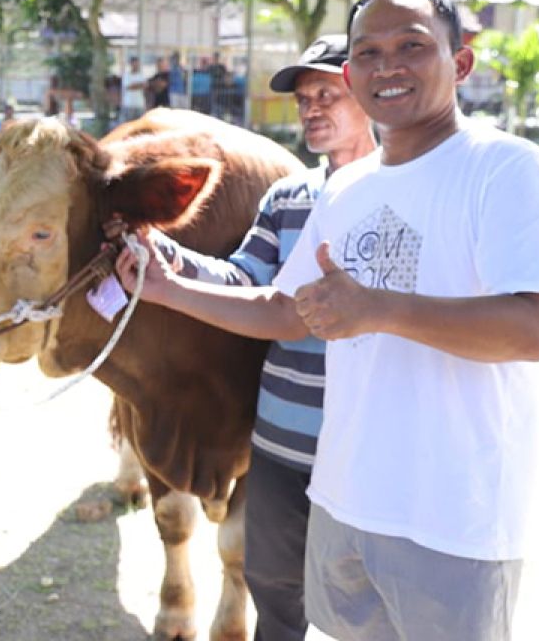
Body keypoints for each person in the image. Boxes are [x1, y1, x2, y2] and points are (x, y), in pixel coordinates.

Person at [117, 0, 539, 641]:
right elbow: (286, 310)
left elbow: (534, 327)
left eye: (412, 45)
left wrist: (381, 308)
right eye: (368, 53)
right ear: (354, 72)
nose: (388, 65)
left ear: (460, 63)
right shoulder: (343, 188)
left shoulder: (506, 169)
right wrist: (168, 289)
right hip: (342, 503)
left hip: (454, 519)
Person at [118, 34, 375, 641]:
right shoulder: (287, 197)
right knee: (277, 602)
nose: (310, 107)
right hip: (282, 445)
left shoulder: (405, 193)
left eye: (326, 94)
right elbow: (245, 277)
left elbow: (284, 310)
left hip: (370, 446)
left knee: (368, 611)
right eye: (303, 98)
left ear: (368, 94)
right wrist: (164, 250)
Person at [120, 55, 147, 123]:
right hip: (129, 104)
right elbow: (128, 87)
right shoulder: (126, 75)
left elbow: (145, 85)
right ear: (131, 64)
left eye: (137, 63)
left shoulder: (142, 75)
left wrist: (135, 85)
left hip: (140, 104)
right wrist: (139, 85)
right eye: (134, 63)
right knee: (127, 124)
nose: (136, 65)